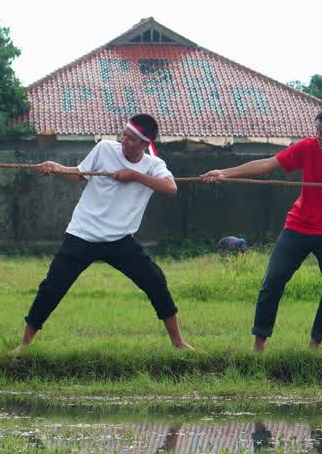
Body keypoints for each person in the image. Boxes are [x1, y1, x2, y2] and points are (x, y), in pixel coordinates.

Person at [201, 104, 322, 352]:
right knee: (273, 281)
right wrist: (224, 173)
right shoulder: (308, 147)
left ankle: (317, 342)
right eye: (317, 130)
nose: (318, 136)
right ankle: (259, 342)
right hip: (298, 226)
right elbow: (269, 164)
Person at [16, 113, 192, 352]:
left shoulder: (153, 165)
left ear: (144, 143)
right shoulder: (105, 149)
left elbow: (171, 188)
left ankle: (178, 342)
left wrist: (134, 176)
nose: (124, 141)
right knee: (52, 288)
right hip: (82, 233)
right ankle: (24, 344)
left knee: (155, 281)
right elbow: (79, 175)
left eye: (131, 139)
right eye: (124, 135)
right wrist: (57, 168)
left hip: (120, 240)